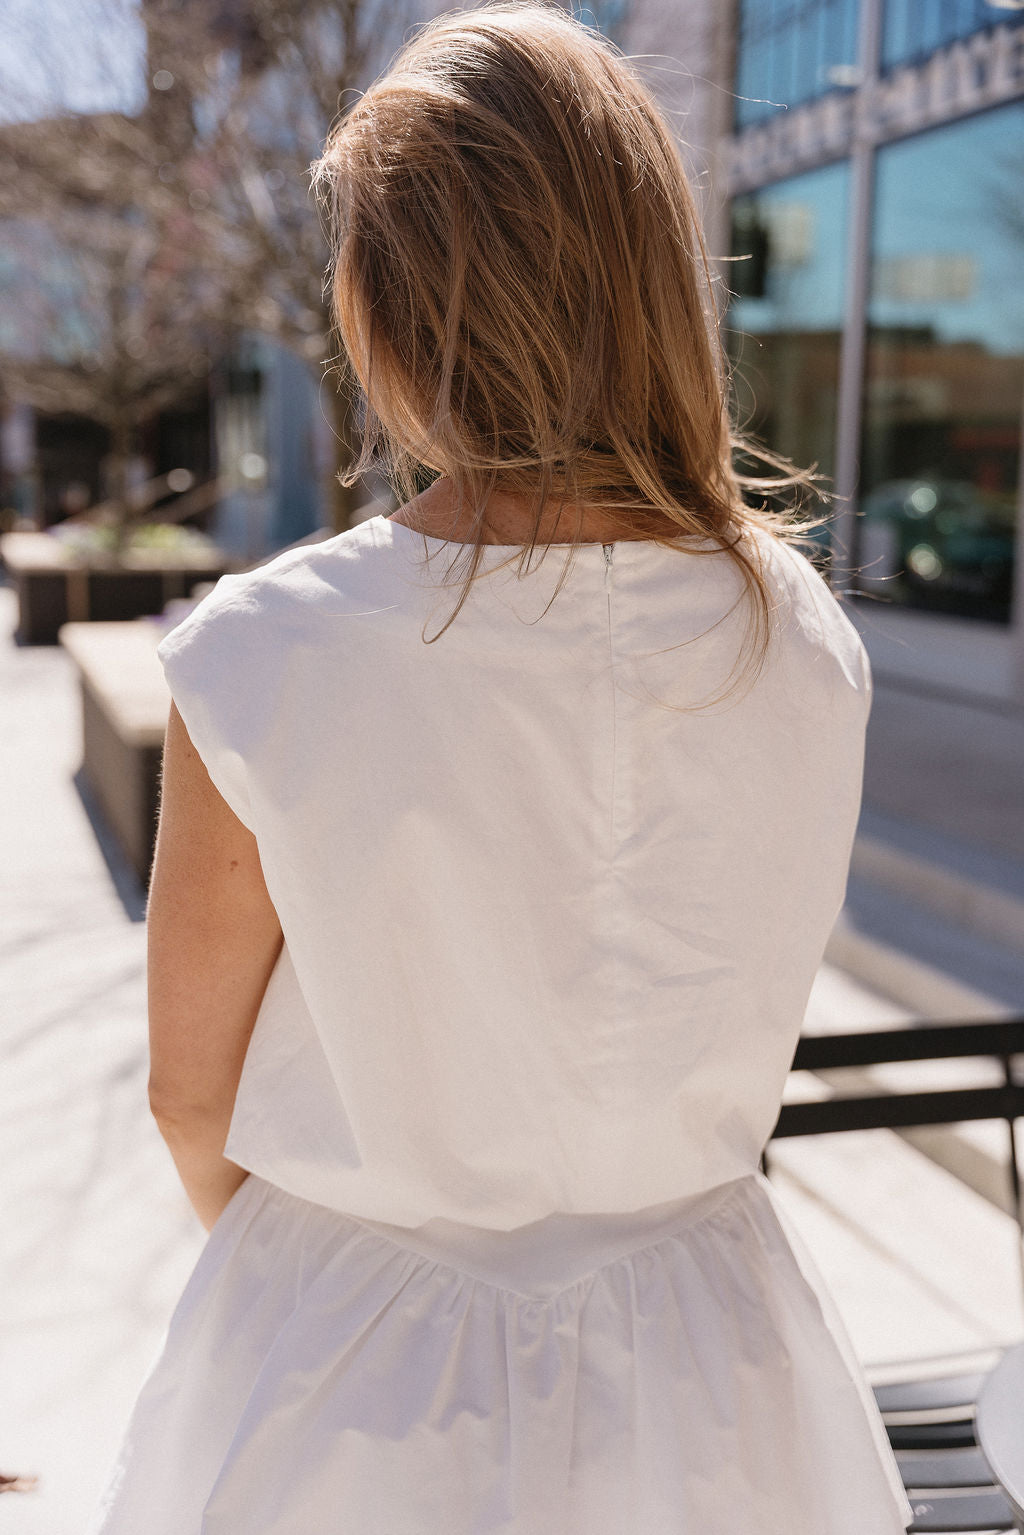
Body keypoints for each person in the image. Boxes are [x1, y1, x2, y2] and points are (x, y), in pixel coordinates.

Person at [87, 5, 914, 1532]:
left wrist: (317, 1284)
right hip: (713, 1366)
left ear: (393, 307)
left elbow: (191, 1100)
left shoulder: (273, 651)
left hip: (352, 1374)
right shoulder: (798, 633)